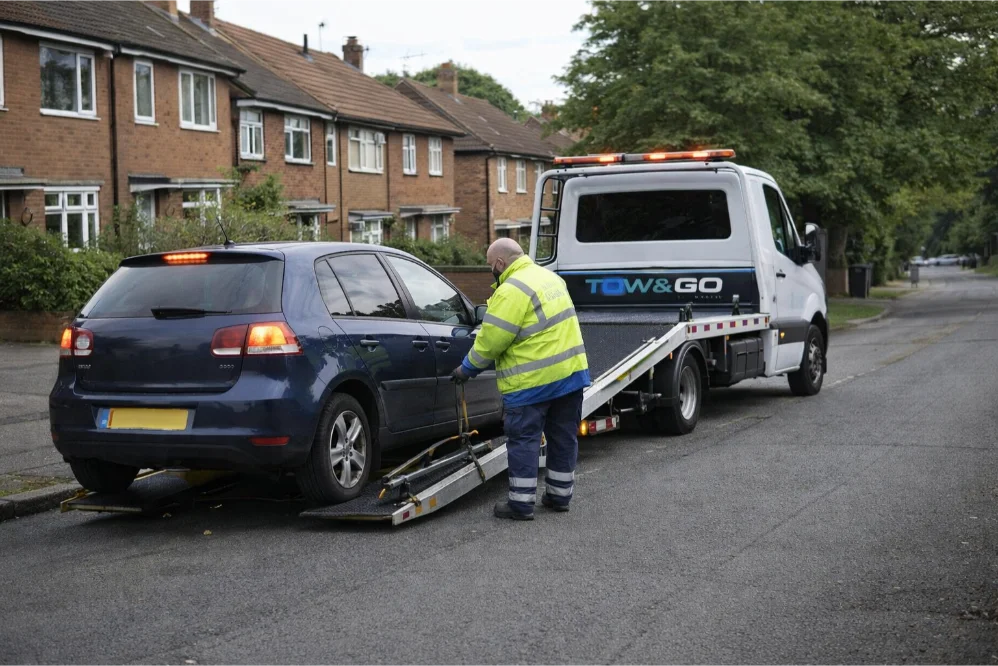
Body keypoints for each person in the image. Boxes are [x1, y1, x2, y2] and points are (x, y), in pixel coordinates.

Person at [451, 238, 590, 520]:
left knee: (524, 441)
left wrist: (466, 369)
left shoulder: (510, 291)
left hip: (532, 384)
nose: (492, 272)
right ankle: (559, 496)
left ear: (500, 263)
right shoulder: (550, 279)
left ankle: (521, 503)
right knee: (563, 437)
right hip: (570, 376)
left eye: (491, 266)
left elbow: (491, 342)